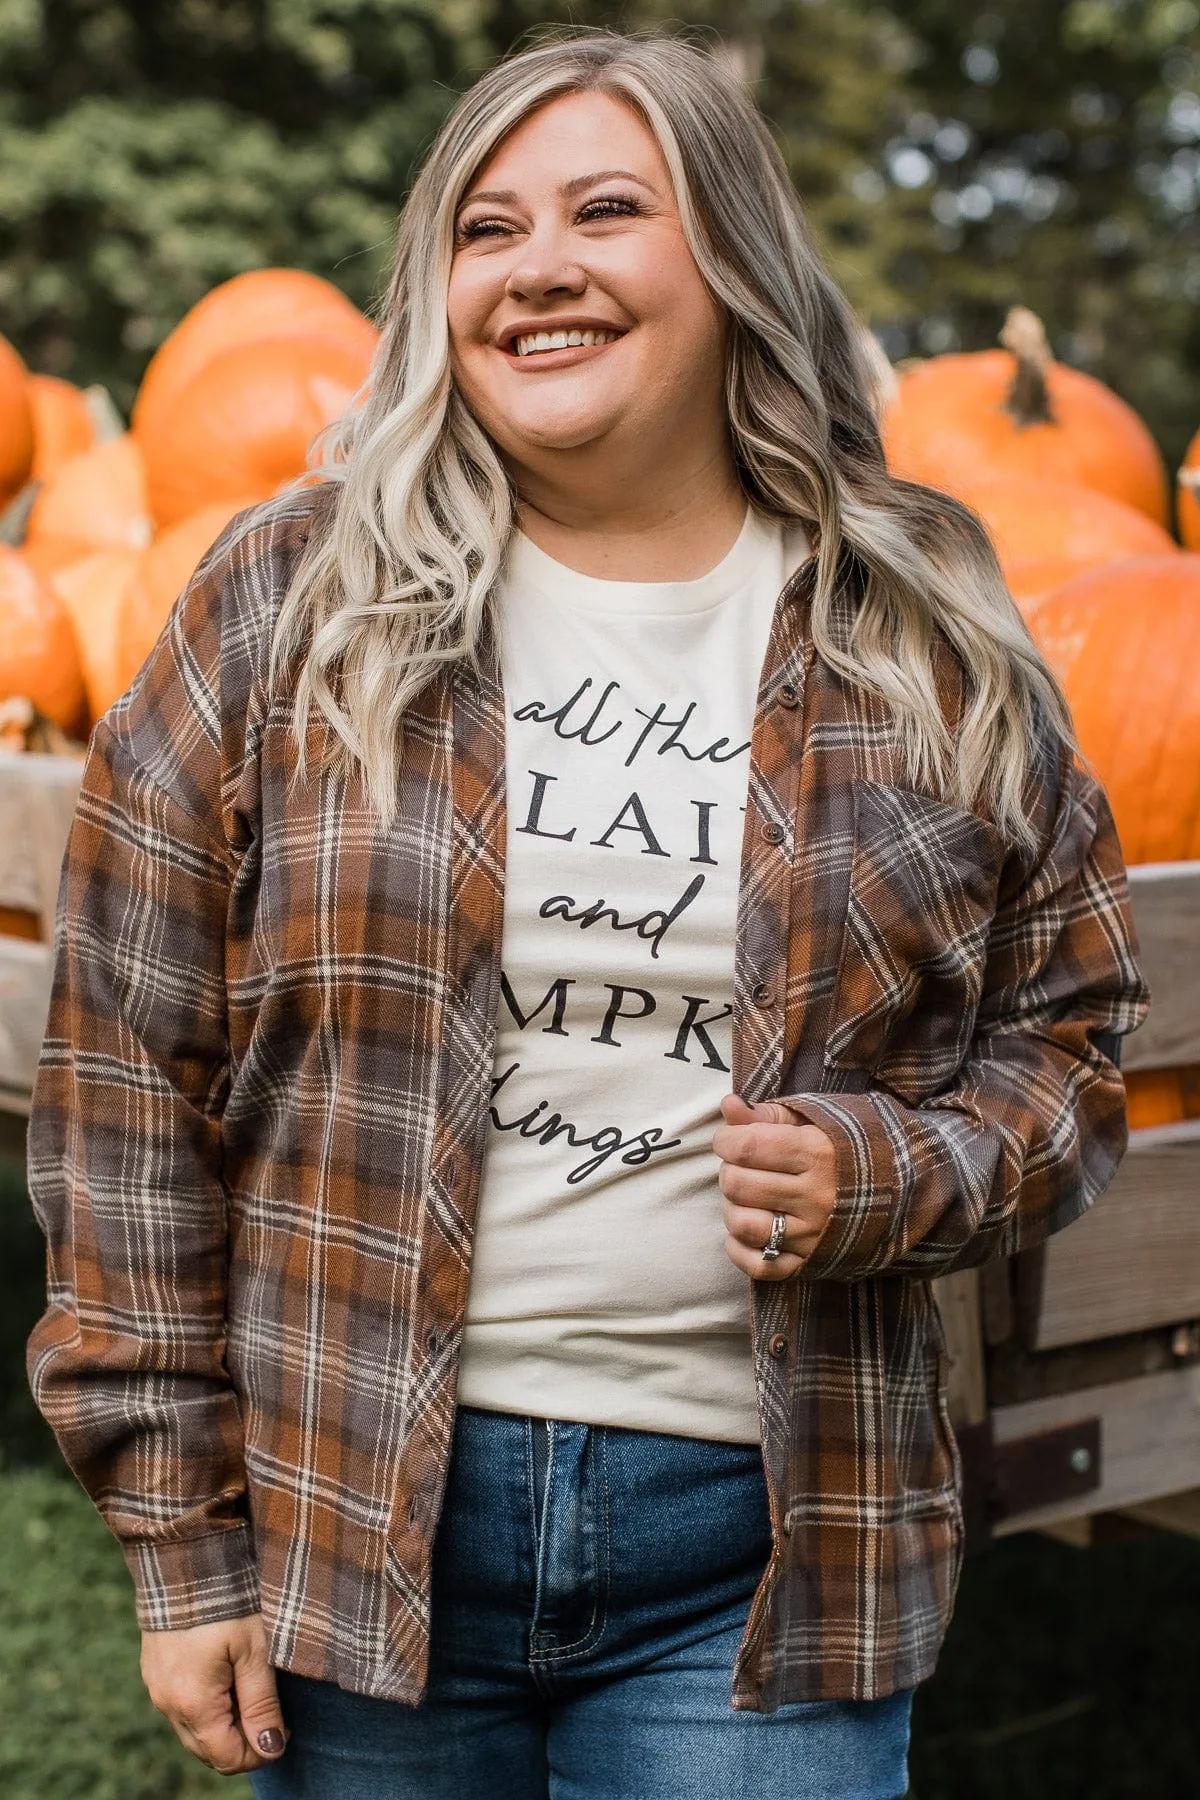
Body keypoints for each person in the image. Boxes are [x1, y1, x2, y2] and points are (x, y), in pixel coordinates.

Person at [25, 29, 1148, 1800]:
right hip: (364, 1516)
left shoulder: (913, 622)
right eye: (487, 227)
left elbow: (1070, 1045)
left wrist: (892, 1175)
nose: (539, 264)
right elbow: (121, 1071)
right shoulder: (288, 605)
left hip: (771, 1546)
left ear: (731, 258)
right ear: (438, 287)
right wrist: (181, 1537)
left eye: (608, 210)